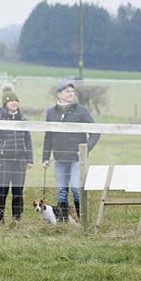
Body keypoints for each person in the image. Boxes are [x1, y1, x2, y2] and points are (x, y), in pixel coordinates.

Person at [42, 79, 101, 222]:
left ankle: (81, 220)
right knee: (62, 191)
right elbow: (48, 136)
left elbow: (96, 132)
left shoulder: (81, 110)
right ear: (59, 94)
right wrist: (45, 157)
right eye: (67, 91)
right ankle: (62, 221)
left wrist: (85, 149)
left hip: (76, 159)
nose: (71, 94)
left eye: (72, 91)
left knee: (76, 189)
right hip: (59, 158)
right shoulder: (51, 113)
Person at [0, 84, 33, 223]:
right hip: (3, 160)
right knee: (3, 190)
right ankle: (0, 218)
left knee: (18, 191)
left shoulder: (23, 119)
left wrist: (30, 159)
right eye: (11, 101)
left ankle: (17, 218)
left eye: (16, 101)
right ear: (5, 102)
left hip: (20, 160)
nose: (14, 103)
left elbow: (27, 139)